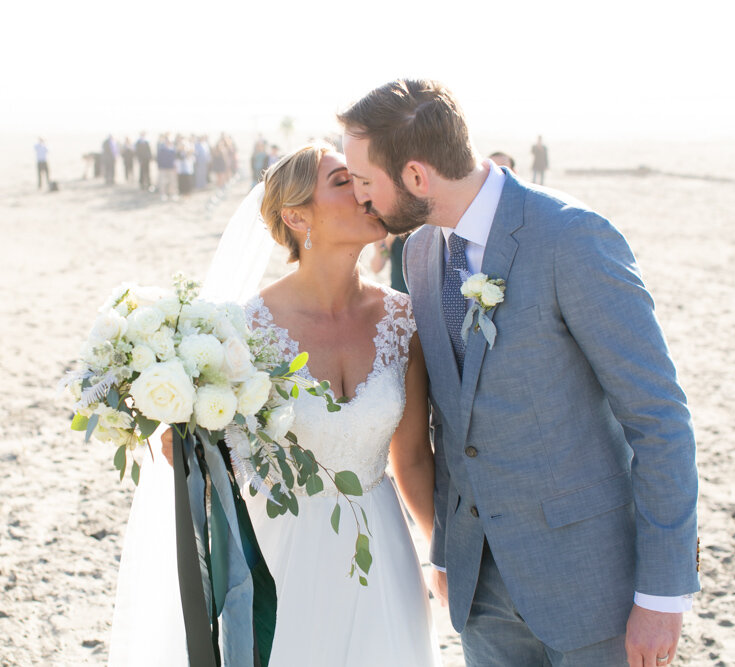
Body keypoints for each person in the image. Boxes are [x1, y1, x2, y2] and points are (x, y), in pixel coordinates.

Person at [340, 78, 699, 666]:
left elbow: (659, 418)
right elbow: (454, 424)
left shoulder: (571, 237)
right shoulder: (422, 254)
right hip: (481, 596)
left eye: (362, 180)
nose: (359, 197)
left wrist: (663, 593)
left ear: (414, 177)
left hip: (593, 593)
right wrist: (449, 555)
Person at [108, 142, 443, 665]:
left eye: (361, 180)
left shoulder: (404, 320)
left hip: (380, 553)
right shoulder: (241, 330)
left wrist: (441, 555)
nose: (363, 193)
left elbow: (414, 458)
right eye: (341, 182)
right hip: (278, 553)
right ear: (295, 215)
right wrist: (187, 446)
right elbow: (222, 457)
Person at [156, 134, 177, 201]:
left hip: (171, 167)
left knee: (172, 182)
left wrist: (175, 167)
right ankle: (163, 194)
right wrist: (159, 166)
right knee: (163, 182)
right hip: (163, 167)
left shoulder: (173, 149)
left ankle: (172, 194)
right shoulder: (161, 148)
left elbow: (175, 159)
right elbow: (158, 158)